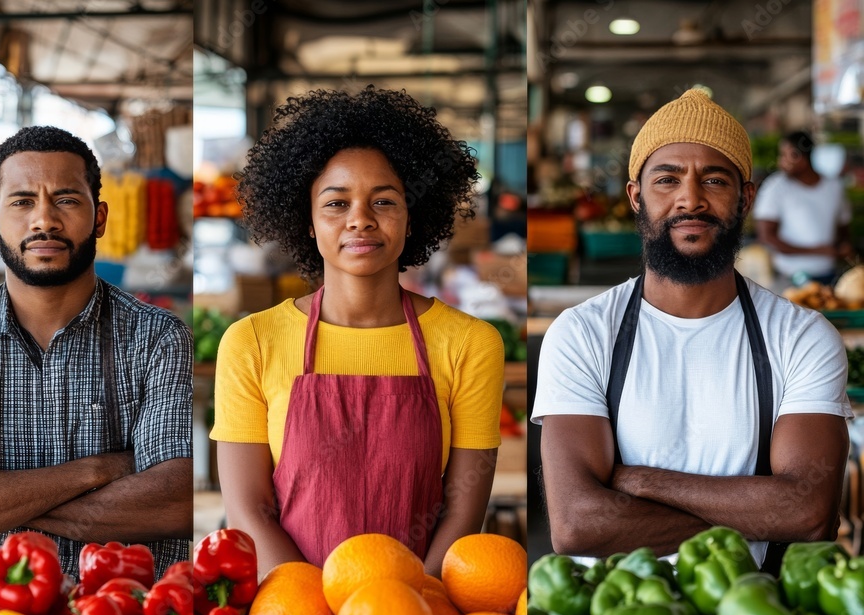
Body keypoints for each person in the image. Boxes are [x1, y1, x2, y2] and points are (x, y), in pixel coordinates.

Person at [532, 89, 852, 571]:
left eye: (715, 180)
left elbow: (808, 513)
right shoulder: (581, 335)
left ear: (745, 197)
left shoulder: (803, 338)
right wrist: (758, 514)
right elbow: (578, 523)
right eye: (667, 179)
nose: (690, 199)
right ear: (636, 196)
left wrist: (641, 482)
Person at [211, 86, 504, 578]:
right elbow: (249, 514)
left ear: (413, 218)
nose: (360, 220)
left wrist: (411, 601)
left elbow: (461, 512)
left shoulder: (471, 343)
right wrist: (312, 609)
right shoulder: (251, 343)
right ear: (306, 220)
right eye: (336, 203)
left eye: (384, 201)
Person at [0, 126, 193, 576]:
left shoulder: (160, 338)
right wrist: (96, 471)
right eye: (22, 201)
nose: (44, 220)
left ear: (100, 217)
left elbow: (176, 502)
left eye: (67, 200)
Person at [753, 131, 852, 286]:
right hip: (790, 278)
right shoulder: (775, 187)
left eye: (786, 155)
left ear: (801, 157)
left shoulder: (834, 187)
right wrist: (818, 251)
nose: (781, 161)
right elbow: (766, 237)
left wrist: (842, 248)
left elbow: (843, 229)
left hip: (829, 276)